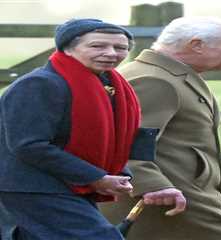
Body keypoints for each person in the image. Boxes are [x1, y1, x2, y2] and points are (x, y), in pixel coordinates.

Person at [99, 17, 221, 240]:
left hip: (177, 198)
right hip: (168, 203)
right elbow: (122, 142)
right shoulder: (154, 80)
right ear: (197, 45)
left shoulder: (167, 74)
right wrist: (152, 185)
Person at [0, 18, 141, 240]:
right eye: (97, 46)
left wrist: (119, 174)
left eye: (120, 48)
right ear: (68, 48)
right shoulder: (39, 84)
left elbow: (114, 139)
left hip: (68, 184)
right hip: (33, 186)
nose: (111, 53)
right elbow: (28, 145)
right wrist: (96, 177)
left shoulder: (110, 86)